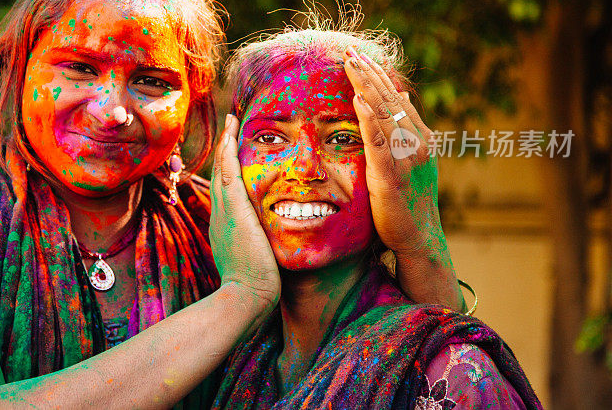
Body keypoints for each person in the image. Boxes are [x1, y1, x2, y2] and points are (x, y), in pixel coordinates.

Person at [0, 0, 467, 408]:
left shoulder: (227, 224)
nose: (112, 111)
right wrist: (239, 299)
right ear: (19, 62)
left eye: (151, 80)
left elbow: (400, 358)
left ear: (195, 95)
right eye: (78, 68)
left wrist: (418, 241)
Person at [210, 26, 542, 409]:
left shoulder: (454, 374)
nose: (303, 168)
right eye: (270, 138)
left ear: (395, 169)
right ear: (229, 155)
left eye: (341, 138)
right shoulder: (225, 359)